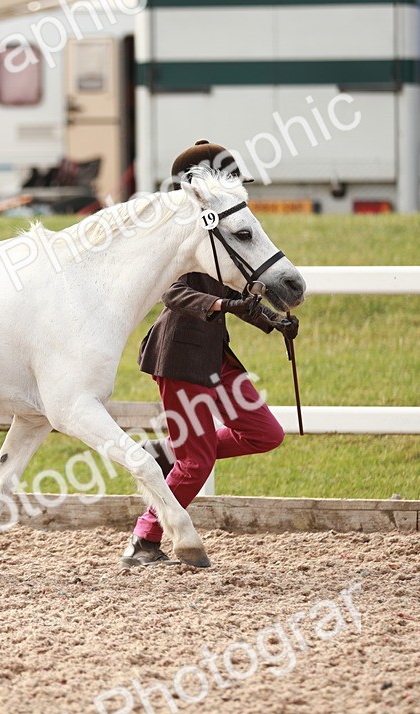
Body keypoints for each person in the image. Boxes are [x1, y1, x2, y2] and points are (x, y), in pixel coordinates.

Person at [121, 140, 299, 568]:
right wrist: (222, 306)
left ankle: (174, 454)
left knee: (265, 434)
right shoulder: (186, 243)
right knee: (196, 462)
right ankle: (144, 539)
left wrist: (274, 321)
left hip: (215, 358)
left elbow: (240, 295)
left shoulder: (225, 239)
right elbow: (174, 293)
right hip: (179, 359)